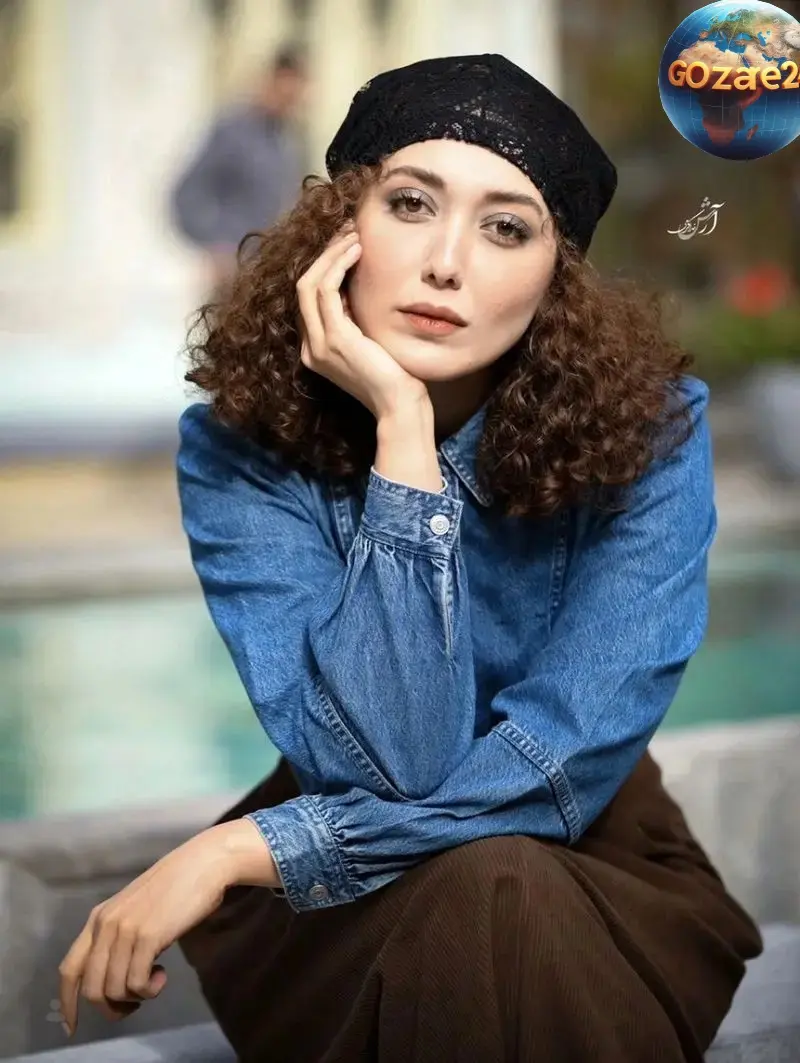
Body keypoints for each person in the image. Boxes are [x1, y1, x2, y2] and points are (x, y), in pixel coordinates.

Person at [59, 54, 763, 1062]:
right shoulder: (239, 448)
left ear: (555, 280)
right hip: (340, 917)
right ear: (339, 225)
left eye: (505, 228)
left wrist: (246, 846)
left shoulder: (653, 437)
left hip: (601, 870)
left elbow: (554, 770)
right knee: (485, 891)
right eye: (410, 203)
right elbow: (400, 762)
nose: (446, 263)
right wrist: (404, 435)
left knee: (500, 887)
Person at [170, 43, 308, 293]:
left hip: (270, 276)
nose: (291, 101)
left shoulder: (287, 140)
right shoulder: (232, 132)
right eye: (286, 92)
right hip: (232, 277)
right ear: (271, 82)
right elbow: (186, 195)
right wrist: (216, 244)